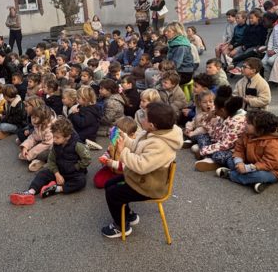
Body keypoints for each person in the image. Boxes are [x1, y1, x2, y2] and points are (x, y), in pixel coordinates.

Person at [100, 102, 182, 238]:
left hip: (150, 185)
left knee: (113, 194)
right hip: (143, 178)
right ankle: (128, 215)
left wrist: (122, 151)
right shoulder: (153, 132)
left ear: (152, 125)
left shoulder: (160, 145)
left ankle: (120, 227)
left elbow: (141, 166)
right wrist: (124, 138)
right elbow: (137, 146)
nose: (141, 118)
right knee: (110, 184)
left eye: (145, 117)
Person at [10, 118, 91, 205]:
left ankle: (56, 189)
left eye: (57, 137)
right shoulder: (56, 145)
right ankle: (30, 192)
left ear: (67, 136)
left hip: (73, 172)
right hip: (59, 170)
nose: (54, 140)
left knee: (81, 181)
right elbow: (51, 160)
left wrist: (77, 167)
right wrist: (57, 174)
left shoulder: (78, 145)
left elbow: (87, 159)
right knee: (42, 174)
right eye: (54, 136)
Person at [216, 109, 278, 193]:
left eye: (249, 123)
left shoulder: (274, 144)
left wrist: (248, 168)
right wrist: (239, 162)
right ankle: (258, 183)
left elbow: (269, 163)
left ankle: (230, 174)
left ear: (260, 129)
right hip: (250, 163)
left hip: (271, 171)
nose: (245, 124)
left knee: (259, 176)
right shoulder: (246, 134)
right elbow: (239, 149)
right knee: (231, 161)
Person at [193, 93, 247, 171]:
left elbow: (225, 145)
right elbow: (214, 134)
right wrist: (208, 119)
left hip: (232, 149)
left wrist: (203, 150)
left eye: (215, 108)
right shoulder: (224, 116)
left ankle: (210, 160)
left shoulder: (236, 122)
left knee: (217, 155)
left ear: (222, 110)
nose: (213, 110)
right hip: (221, 143)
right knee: (202, 136)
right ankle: (208, 159)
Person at [95, 117, 140, 188]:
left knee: (117, 186)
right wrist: (104, 157)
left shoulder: (132, 148)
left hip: (124, 173)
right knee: (98, 182)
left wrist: (113, 163)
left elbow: (129, 167)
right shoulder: (114, 141)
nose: (116, 137)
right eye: (116, 133)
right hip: (111, 168)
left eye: (119, 135)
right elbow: (109, 151)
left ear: (131, 135)